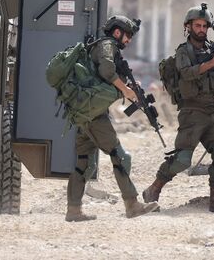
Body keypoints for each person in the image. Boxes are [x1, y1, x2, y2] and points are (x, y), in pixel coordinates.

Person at [142, 3, 214, 213]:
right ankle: (153, 189)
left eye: (204, 26)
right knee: (182, 160)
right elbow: (187, 73)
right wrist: (211, 64)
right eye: (197, 25)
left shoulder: (212, 48)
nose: (200, 29)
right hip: (192, 113)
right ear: (188, 27)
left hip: (212, 111)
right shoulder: (183, 51)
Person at [65, 15, 160, 222]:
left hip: (85, 112)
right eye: (128, 36)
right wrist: (125, 90)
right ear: (117, 32)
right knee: (119, 156)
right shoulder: (107, 45)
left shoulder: (102, 46)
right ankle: (132, 204)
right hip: (93, 114)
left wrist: (127, 88)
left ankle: (73, 210)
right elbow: (107, 70)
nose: (129, 41)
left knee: (84, 162)